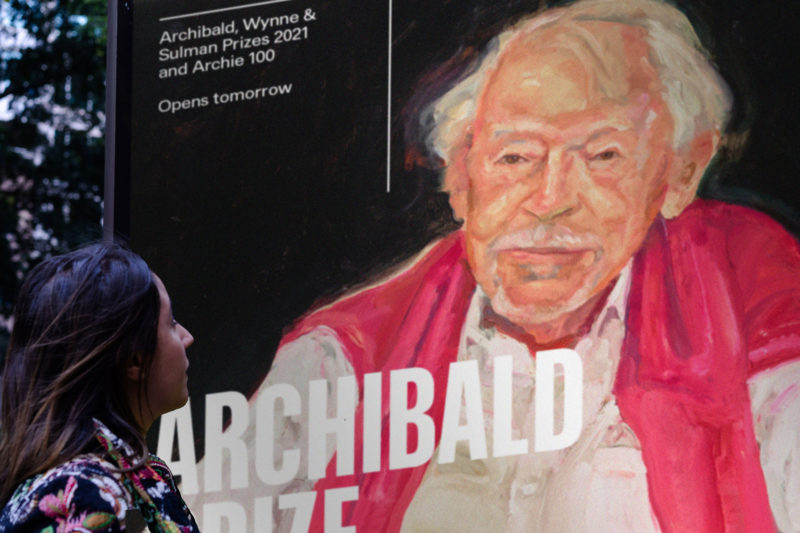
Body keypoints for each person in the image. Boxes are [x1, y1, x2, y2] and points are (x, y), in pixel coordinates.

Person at [187, 0, 800, 531]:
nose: (549, 198)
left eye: (603, 155)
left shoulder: (747, 295)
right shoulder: (348, 352)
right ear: (461, 177)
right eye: (515, 157)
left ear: (679, 173)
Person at [0, 243, 200, 532]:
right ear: (135, 359)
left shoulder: (142, 478)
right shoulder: (78, 493)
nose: (186, 337)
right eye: (171, 323)